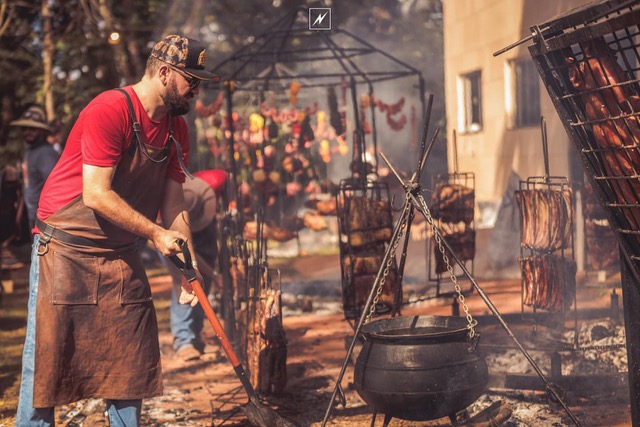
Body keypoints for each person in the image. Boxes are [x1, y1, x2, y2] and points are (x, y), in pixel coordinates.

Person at [15, 34, 220, 427]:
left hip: (120, 253)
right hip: (65, 250)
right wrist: (155, 234)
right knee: (46, 363)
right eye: (191, 80)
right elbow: (95, 195)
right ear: (164, 72)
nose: (196, 90)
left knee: (132, 360)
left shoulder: (178, 129)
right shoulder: (110, 109)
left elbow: (173, 204)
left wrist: (186, 270)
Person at [164, 169, 228, 362]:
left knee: (200, 285)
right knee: (184, 285)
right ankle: (184, 341)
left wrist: (210, 274)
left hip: (196, 236)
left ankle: (195, 336)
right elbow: (192, 261)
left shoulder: (214, 183)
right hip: (171, 243)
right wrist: (213, 274)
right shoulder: (169, 219)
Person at [10, 106, 60, 230]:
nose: (27, 132)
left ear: (41, 131)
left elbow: (55, 188)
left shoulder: (46, 154)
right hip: (33, 215)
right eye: (24, 128)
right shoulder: (30, 150)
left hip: (45, 219)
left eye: (32, 129)